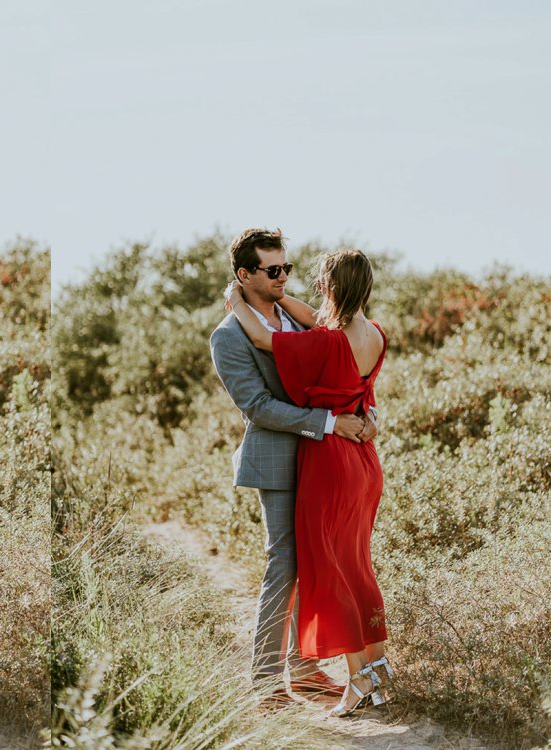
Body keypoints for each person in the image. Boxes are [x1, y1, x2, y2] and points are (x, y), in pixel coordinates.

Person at [209, 228, 377, 707]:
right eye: (273, 270)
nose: (284, 277)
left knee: (318, 561)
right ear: (244, 275)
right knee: (284, 563)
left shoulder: (301, 319)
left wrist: (367, 412)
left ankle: (304, 670)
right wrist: (329, 423)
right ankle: (265, 682)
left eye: (287, 267)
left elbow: (343, 362)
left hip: (324, 457)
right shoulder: (228, 337)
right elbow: (258, 406)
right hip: (278, 458)